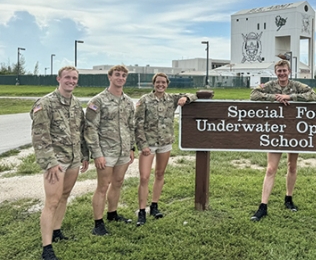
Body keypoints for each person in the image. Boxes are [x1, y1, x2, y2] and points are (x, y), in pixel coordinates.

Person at [30, 66, 89, 260]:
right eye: (67, 77)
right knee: (52, 202)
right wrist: (50, 163)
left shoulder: (75, 104)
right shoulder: (45, 103)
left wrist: (84, 155)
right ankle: (46, 248)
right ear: (59, 79)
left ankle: (57, 231)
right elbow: (40, 136)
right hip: (56, 162)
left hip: (73, 159)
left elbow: (80, 132)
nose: (71, 81)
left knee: (64, 196)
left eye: (74, 78)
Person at [249, 59, 316, 221]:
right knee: (271, 169)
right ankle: (263, 206)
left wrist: (290, 96)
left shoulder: (297, 85)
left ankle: (289, 198)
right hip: (275, 131)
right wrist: (276, 98)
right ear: (275, 72)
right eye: (279, 71)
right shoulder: (270, 85)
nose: (282, 73)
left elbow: (312, 94)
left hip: (294, 131)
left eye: (284, 70)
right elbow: (254, 95)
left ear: (289, 71)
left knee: (292, 166)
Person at [134, 73, 197, 226]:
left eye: (163, 82)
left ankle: (154, 205)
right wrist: (143, 145)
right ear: (153, 83)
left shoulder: (171, 99)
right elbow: (138, 124)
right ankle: (142, 211)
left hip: (165, 143)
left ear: (167, 84)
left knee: (160, 174)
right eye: (158, 82)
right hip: (149, 144)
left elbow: (193, 94)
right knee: (144, 177)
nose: (160, 85)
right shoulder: (145, 100)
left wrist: (186, 99)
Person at [85, 65, 135, 236]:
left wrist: (131, 147)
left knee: (118, 182)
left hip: (123, 150)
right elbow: (90, 128)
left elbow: (130, 126)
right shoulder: (98, 101)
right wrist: (97, 153)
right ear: (110, 77)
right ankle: (98, 223)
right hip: (106, 151)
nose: (120, 78)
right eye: (117, 75)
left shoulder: (128, 101)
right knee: (103, 186)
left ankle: (112, 213)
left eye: (123, 75)